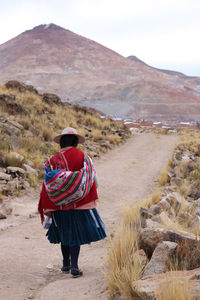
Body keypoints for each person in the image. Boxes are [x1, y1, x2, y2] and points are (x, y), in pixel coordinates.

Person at [38, 127, 106, 278]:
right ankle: (74, 266)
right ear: (75, 142)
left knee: (64, 234)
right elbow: (94, 180)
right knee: (75, 234)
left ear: (61, 142)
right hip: (79, 204)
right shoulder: (84, 158)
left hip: (58, 205)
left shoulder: (51, 160)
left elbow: (46, 185)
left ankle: (65, 264)